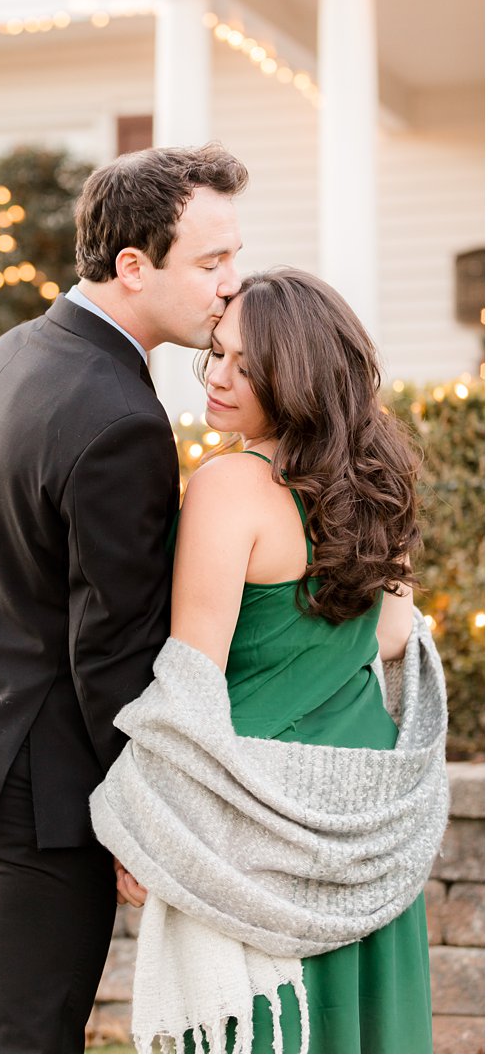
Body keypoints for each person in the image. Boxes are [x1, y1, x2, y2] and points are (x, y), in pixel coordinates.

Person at [0, 143, 248, 1053]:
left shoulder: (2, 359)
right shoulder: (124, 420)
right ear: (134, 266)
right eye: (211, 262)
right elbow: (112, 653)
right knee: (27, 1041)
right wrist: (139, 813)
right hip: (40, 795)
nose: (230, 285)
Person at [91, 268, 446, 1054]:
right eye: (216, 353)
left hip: (253, 815)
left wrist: (150, 825)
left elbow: (192, 672)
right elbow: (393, 639)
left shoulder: (228, 483)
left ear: (299, 378)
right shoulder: (379, 484)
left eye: (246, 366)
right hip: (364, 815)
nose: (218, 376)